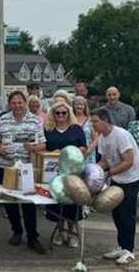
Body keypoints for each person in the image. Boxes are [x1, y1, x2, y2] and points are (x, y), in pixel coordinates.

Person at [0, 90, 47, 254]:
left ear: (25, 103)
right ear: (10, 104)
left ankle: (32, 237)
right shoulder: (4, 119)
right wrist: (0, 148)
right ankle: (17, 231)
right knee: (9, 201)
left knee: (28, 203)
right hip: (6, 165)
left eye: (20, 102)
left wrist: (34, 147)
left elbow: (43, 143)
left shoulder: (34, 120)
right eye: (14, 103)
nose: (17, 106)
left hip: (26, 167)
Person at [91, 107, 139, 265]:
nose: (92, 124)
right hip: (118, 177)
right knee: (116, 213)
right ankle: (121, 246)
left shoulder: (121, 135)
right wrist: (93, 171)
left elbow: (128, 161)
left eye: (95, 121)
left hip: (132, 177)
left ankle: (129, 251)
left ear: (105, 121)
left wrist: (108, 174)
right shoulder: (102, 137)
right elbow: (104, 161)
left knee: (126, 214)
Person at [43, 100, 87, 248]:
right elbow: (43, 148)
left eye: (64, 112)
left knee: (73, 202)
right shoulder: (47, 129)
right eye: (57, 113)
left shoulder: (76, 129)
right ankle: (60, 231)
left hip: (73, 171)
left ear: (69, 113)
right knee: (58, 201)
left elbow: (84, 148)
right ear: (52, 114)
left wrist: (74, 151)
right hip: (54, 172)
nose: (61, 115)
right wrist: (52, 153)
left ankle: (72, 233)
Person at [73, 96, 95, 164]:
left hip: (88, 153)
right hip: (73, 154)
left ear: (85, 106)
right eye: (77, 104)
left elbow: (96, 138)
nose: (79, 106)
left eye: (81, 104)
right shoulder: (70, 120)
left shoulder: (90, 120)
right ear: (73, 106)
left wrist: (88, 151)